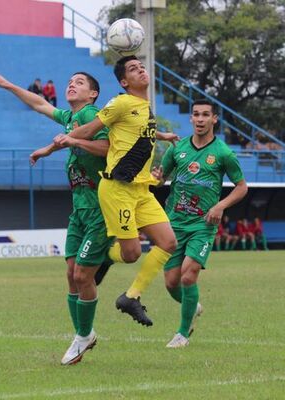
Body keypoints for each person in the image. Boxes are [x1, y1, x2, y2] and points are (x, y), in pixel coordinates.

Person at [0, 71, 110, 365]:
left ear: (93, 94)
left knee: (82, 275)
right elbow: (40, 104)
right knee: (70, 274)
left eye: (80, 82)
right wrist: (9, 85)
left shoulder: (93, 114)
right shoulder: (71, 118)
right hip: (79, 208)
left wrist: (72, 143)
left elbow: (107, 149)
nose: (72, 84)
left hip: (100, 208)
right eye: (70, 80)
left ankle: (83, 336)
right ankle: (85, 334)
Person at [54, 55, 180, 327]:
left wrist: (163, 136)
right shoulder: (121, 102)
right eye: (134, 69)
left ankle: (130, 296)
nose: (142, 71)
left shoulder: (146, 108)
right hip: (117, 188)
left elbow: (133, 132)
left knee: (168, 243)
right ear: (124, 82)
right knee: (132, 253)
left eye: (142, 67)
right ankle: (106, 262)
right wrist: (70, 139)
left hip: (141, 189)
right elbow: (93, 128)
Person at [152, 98, 247, 348]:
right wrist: (156, 178)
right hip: (174, 223)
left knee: (188, 276)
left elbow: (241, 187)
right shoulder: (178, 149)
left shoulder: (223, 153)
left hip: (203, 225)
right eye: (196, 115)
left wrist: (219, 206)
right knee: (171, 282)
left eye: (206, 115)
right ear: (191, 119)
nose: (201, 119)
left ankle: (182, 334)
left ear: (214, 119)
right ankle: (193, 306)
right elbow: (161, 179)